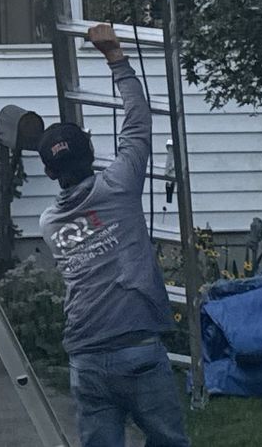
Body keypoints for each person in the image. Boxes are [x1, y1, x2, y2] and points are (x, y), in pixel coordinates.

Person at [36, 24, 191, 447]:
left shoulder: (49, 223)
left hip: (85, 356)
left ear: (49, 173)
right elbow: (138, 124)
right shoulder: (119, 185)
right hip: (137, 349)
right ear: (92, 154)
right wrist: (115, 57)